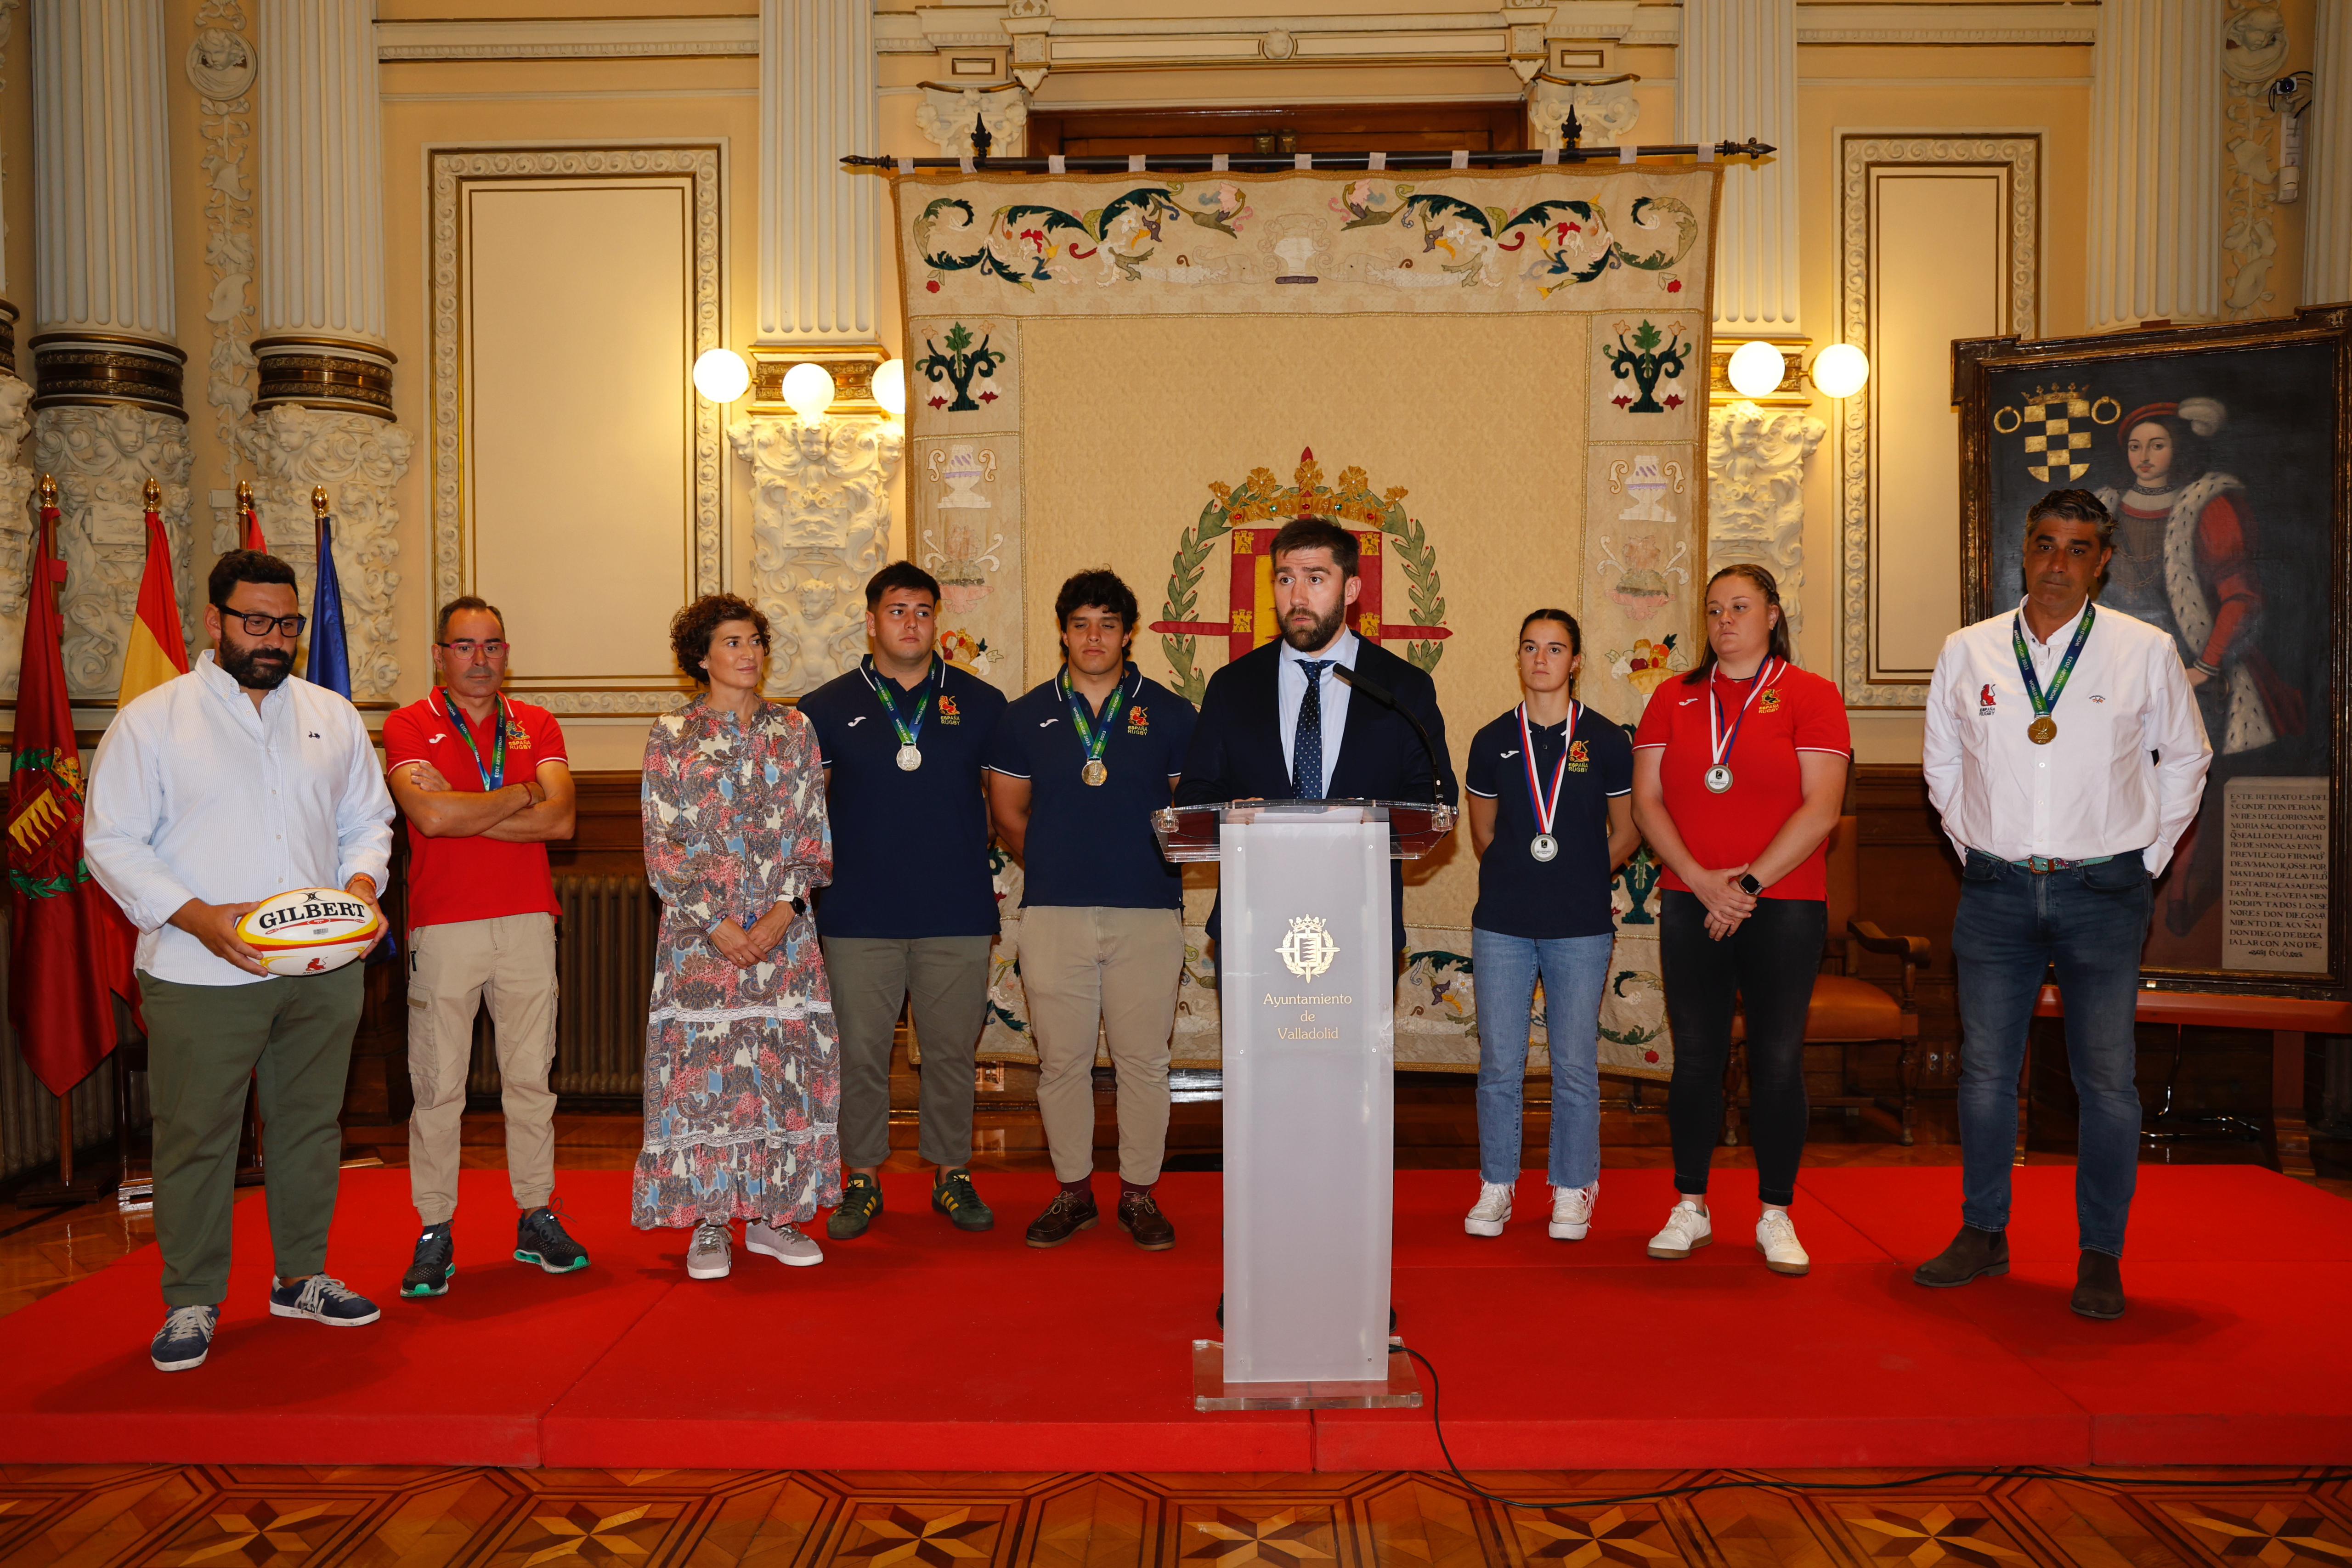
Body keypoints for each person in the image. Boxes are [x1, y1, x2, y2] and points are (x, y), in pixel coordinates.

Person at [85, 549, 396, 1373]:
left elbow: (368, 819)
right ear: (214, 621)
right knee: (197, 1136)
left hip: (324, 970)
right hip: (200, 970)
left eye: (287, 624)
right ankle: (192, 1297)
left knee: (310, 1126)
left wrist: (361, 886)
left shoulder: (331, 713)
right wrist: (196, 915)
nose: (273, 638)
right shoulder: (153, 720)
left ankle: (302, 1276)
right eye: (255, 621)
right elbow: (111, 840)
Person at [1914, 490, 2209, 1320]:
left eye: (2078, 549)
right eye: (2045, 544)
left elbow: (2187, 758)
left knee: (2105, 1079)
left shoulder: (2144, 650)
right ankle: (1984, 1231)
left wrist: (2147, 858)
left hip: (2103, 891)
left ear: (2102, 561)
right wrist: (1978, 848)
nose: (2058, 563)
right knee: (1984, 1072)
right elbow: (1942, 763)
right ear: (2025, 549)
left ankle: (2101, 1253)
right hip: (1996, 890)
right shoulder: (1969, 650)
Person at [1630, 564, 1849, 1278]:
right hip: (1691, 897)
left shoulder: (1811, 694)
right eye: (1715, 608)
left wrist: (1748, 884)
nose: (1725, 619)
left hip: (1784, 902)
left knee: (1777, 1060)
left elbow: (1821, 807)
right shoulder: (1673, 696)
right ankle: (1690, 1205)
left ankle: (1776, 1212)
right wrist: (1700, 880)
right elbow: (1646, 802)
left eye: (1741, 606)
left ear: (1773, 615)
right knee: (1696, 1057)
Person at [985, 570, 1198, 1251]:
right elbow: (1008, 815)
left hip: (1148, 911)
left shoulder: (1170, 713)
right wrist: (1059, 860)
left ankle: (1139, 1194)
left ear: (1128, 634)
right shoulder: (1023, 716)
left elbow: (1186, 813)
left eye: (1108, 624)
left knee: (1144, 1064)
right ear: (1063, 632)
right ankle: (1073, 1192)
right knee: (1062, 1064)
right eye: (1081, 624)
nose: (1094, 637)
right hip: (1055, 913)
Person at [797, 563, 1009, 1239]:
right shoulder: (823, 707)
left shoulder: (981, 703)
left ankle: (952, 1173)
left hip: (956, 910)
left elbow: (1003, 805)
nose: (911, 623)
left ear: (936, 620)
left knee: (951, 1053)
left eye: (922, 611)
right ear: (871, 621)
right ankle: (862, 1176)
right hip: (859, 913)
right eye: (897, 611)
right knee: (860, 1053)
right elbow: (807, 813)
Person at [634, 594, 841, 1280]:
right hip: (701, 942)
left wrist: (783, 912)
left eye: (754, 640)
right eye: (731, 642)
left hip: (785, 938)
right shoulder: (672, 734)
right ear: (700, 657)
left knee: (780, 1072)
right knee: (708, 1078)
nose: (748, 652)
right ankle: (711, 1221)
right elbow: (662, 847)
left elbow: (812, 834)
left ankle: (775, 1215)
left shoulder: (796, 729)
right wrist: (716, 924)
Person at [384, 596, 583, 1299]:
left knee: (531, 1078)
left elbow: (561, 821)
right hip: (444, 927)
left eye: (492, 645)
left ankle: (536, 1212)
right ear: (439, 654)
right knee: (439, 1085)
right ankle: (435, 1227)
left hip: (529, 920)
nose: (480, 659)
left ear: (507, 653)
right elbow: (430, 816)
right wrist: (521, 793)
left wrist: (470, 805)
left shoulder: (536, 722)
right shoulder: (410, 723)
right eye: (464, 646)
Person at [1174, 515, 1457, 949]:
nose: (1297, 597)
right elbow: (1194, 795)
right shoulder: (1233, 685)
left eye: (1316, 579)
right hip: (1252, 917)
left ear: (1351, 590)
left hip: (1362, 919)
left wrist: (1372, 821)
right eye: (1285, 579)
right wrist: (1230, 815)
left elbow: (1435, 801)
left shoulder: (1401, 687)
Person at [2092, 399, 2304, 936]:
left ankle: (2176, 899)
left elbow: (2240, 597)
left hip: (2191, 676)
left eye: (2156, 444)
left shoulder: (2205, 503)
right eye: (2134, 446)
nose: (2144, 456)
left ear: (2178, 447)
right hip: (2116, 678)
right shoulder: (2104, 509)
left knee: (2183, 790)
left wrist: (2204, 669)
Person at [1461, 609, 1639, 1241]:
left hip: (1580, 925)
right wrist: (1524, 873)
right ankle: (1496, 1184)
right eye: (1531, 647)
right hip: (1503, 923)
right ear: (1518, 657)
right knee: (1499, 1065)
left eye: (1556, 648)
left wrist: (1582, 874)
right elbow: (1483, 833)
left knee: (1575, 1064)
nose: (1542, 659)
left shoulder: (1607, 740)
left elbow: (1629, 829)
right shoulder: (1491, 740)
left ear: (1576, 661)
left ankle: (1572, 1186)